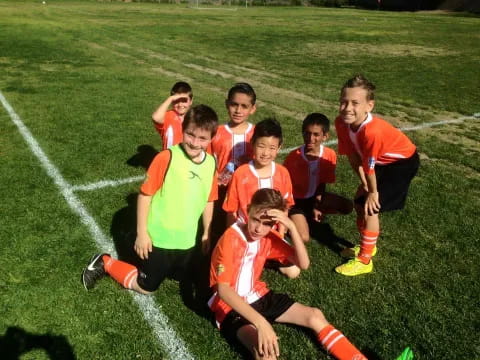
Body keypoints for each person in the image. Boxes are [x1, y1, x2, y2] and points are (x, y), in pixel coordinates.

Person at [209, 188, 368, 360]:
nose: (258, 228)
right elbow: (223, 290)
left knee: (315, 316)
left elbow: (304, 264)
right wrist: (261, 323)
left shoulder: (268, 236)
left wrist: (291, 226)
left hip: (259, 295)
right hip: (230, 306)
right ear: (248, 210)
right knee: (266, 353)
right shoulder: (231, 238)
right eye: (255, 220)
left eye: (266, 224)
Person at [82, 104, 219, 294]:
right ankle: (105, 262)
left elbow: (209, 199)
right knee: (147, 287)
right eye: (190, 134)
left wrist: (206, 233)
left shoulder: (211, 163)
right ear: (183, 130)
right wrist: (143, 234)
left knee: (181, 275)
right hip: (159, 238)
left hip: (187, 240)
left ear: (212, 138)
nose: (195, 143)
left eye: (202, 138)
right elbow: (145, 196)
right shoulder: (166, 158)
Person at [334, 75, 419, 276]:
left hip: (401, 164)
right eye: (344, 101)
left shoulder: (372, 132)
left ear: (369, 106)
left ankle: (364, 260)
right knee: (358, 202)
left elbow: (369, 166)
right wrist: (364, 184)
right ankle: (367, 246)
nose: (347, 108)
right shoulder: (341, 123)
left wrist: (373, 192)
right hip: (380, 163)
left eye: (355, 103)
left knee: (371, 208)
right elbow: (354, 157)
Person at [223, 117, 298, 278]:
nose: (266, 153)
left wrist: (282, 234)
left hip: (271, 233)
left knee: (294, 271)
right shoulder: (241, 173)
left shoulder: (282, 173)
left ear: (279, 148)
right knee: (233, 272)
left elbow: (285, 206)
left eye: (272, 148)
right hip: (246, 231)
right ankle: (254, 255)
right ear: (253, 144)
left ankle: (263, 257)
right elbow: (231, 210)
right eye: (261, 146)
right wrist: (230, 238)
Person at [283, 113, 353, 243]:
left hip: (314, 197)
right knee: (303, 238)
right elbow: (283, 186)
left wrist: (317, 204)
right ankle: (292, 220)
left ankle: (311, 214)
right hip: (295, 202)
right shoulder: (293, 158)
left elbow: (323, 181)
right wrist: (285, 208)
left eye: (316, 134)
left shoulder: (329, 155)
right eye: (307, 133)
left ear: (325, 136)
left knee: (347, 206)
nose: (310, 138)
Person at [210, 82, 257, 187]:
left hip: (248, 190)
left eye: (244, 106)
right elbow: (206, 161)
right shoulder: (216, 132)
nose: (238, 110)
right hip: (220, 189)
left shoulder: (257, 133)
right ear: (227, 104)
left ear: (252, 109)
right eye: (234, 104)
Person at [151, 81, 193, 150]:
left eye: (184, 100)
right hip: (170, 158)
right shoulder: (168, 116)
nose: (180, 105)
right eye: (176, 100)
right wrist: (170, 98)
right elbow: (156, 118)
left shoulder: (195, 118)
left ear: (191, 101)